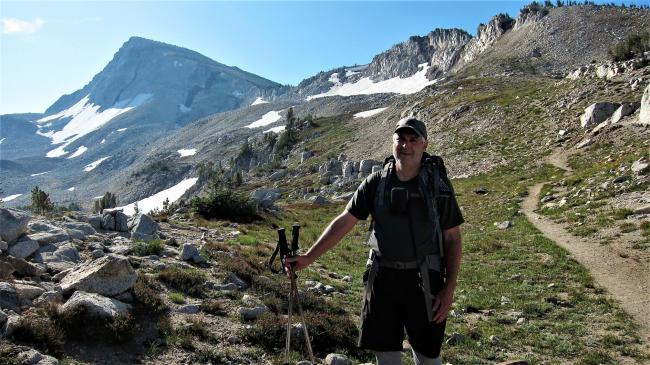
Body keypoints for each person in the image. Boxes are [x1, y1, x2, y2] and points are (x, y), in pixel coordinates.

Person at [285, 116, 464, 365]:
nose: (406, 145)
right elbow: (345, 220)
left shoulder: (438, 185)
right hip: (382, 278)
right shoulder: (376, 183)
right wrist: (308, 257)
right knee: (385, 354)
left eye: (413, 140)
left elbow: (452, 237)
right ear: (393, 142)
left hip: (426, 281)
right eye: (401, 139)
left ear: (425, 144)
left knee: (428, 354)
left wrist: (449, 287)